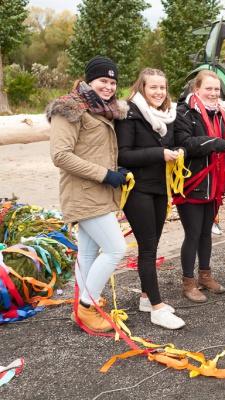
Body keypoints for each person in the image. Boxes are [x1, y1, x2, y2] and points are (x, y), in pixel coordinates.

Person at [47, 56, 128, 332]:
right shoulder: (69, 108)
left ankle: (82, 304)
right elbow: (60, 155)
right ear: (88, 80)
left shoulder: (103, 109)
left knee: (89, 253)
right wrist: (105, 174)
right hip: (84, 192)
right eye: (103, 81)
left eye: (113, 82)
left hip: (101, 192)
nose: (108, 87)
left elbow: (97, 149)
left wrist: (118, 169)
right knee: (117, 248)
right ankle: (86, 308)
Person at [115, 68, 185, 330]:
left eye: (162, 87)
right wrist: (160, 153)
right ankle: (157, 308)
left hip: (160, 188)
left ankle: (146, 298)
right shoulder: (129, 115)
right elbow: (124, 156)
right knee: (146, 248)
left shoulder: (168, 116)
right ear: (141, 88)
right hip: (138, 190)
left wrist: (178, 151)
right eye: (153, 87)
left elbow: (176, 142)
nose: (158, 92)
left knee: (154, 245)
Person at [173, 70, 225, 303]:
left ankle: (205, 275)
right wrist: (219, 144)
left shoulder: (220, 113)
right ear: (196, 89)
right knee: (192, 234)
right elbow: (185, 144)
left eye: (216, 89)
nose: (213, 93)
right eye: (208, 89)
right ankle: (187, 282)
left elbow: (220, 149)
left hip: (214, 184)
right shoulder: (184, 113)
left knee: (206, 233)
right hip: (192, 182)